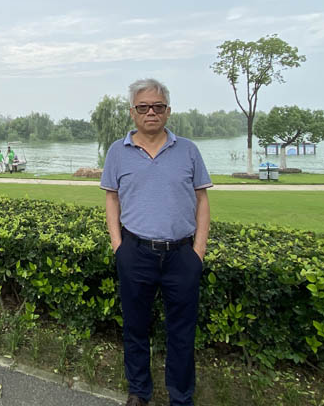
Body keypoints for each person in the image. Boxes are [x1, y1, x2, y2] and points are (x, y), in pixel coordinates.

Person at [100, 78, 211, 406]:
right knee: (135, 328)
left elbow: (201, 199)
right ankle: (139, 392)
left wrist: (198, 252)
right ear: (132, 112)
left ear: (168, 111)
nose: (151, 112)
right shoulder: (118, 152)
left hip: (181, 255)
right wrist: (118, 246)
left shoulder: (188, 150)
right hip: (135, 252)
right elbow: (112, 199)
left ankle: (181, 397)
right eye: (144, 107)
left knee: (182, 332)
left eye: (158, 107)